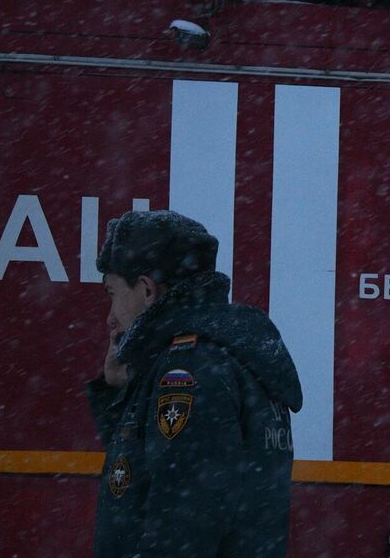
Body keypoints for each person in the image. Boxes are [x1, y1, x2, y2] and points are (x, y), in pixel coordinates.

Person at [87, 209, 302, 557]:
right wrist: (118, 389)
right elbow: (146, 476)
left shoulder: (189, 371)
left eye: (112, 293)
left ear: (146, 291)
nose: (110, 317)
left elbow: (183, 522)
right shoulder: (231, 355)